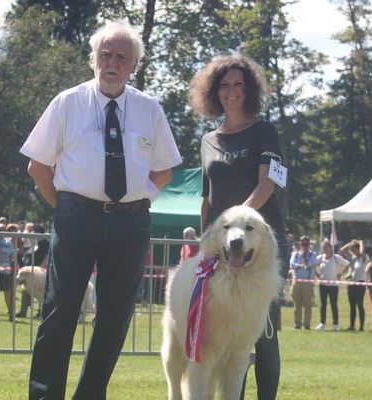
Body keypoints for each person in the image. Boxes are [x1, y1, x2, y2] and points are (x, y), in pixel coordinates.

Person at [20, 21, 181, 399]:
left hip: (131, 220)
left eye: (121, 57)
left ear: (134, 66)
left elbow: (164, 170)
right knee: (60, 310)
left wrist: (139, 199)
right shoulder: (67, 101)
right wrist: (64, 208)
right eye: (105, 55)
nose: (112, 62)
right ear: (93, 59)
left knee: (114, 317)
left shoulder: (150, 109)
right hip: (76, 215)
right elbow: (38, 166)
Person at [191, 54, 287, 400]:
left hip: (259, 247)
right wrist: (205, 243)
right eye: (225, 85)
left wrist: (235, 225)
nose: (231, 91)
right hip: (219, 251)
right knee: (226, 334)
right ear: (214, 91)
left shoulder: (266, 132)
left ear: (250, 90)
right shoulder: (207, 141)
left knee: (262, 334)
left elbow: (268, 186)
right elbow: (206, 199)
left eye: (238, 84)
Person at [315, 240, 349, 331]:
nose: (325, 249)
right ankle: (322, 323)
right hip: (323, 285)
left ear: (330, 248)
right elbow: (312, 265)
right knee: (323, 305)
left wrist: (340, 274)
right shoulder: (320, 258)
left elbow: (347, 264)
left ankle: (335, 324)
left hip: (334, 286)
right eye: (323, 247)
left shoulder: (336, 257)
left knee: (334, 304)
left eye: (326, 247)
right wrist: (317, 275)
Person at [289, 235, 317, 330]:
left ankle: (307, 324)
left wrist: (303, 258)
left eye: (306, 244)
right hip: (296, 282)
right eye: (302, 243)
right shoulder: (295, 254)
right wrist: (300, 264)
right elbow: (292, 265)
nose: (304, 246)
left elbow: (309, 265)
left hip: (307, 283)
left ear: (309, 245)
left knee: (308, 305)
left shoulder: (312, 255)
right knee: (297, 305)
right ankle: (297, 324)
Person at [340, 239, 368, 331]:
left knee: (359, 304)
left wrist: (360, 242)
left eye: (353, 249)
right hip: (351, 283)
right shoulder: (353, 257)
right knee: (352, 305)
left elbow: (362, 251)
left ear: (358, 248)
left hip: (360, 283)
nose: (351, 251)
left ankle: (361, 327)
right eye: (351, 249)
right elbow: (342, 250)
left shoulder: (363, 258)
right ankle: (352, 326)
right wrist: (351, 242)